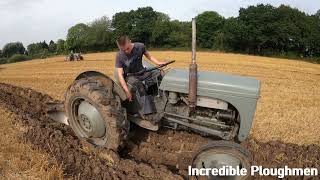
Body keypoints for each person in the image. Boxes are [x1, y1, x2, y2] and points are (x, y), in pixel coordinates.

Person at [115, 35, 166, 121]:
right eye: (123, 49)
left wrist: (158, 62)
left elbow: (149, 56)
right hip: (131, 76)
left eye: (127, 48)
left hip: (143, 72)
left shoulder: (140, 46)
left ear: (130, 42)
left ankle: (161, 98)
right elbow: (120, 75)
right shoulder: (120, 55)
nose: (126, 51)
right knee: (139, 86)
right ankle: (148, 114)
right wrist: (127, 91)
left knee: (158, 73)